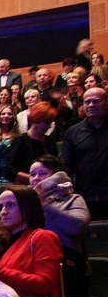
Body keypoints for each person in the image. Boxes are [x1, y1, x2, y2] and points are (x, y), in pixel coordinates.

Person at [29, 155, 90, 297]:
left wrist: (43, 204)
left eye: (42, 173)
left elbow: (77, 226)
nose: (36, 178)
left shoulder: (72, 199)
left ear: (56, 176)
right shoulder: (24, 202)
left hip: (65, 267)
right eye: (32, 174)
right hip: (30, 265)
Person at [60, 87, 108, 220]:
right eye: (87, 102)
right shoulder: (72, 132)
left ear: (106, 102)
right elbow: (66, 164)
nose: (91, 105)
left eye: (96, 101)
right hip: (85, 197)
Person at [5, 102, 57, 185]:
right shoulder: (20, 140)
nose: (49, 126)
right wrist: (36, 180)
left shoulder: (50, 141)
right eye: (46, 122)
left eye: (50, 122)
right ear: (37, 120)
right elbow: (10, 172)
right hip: (27, 190)